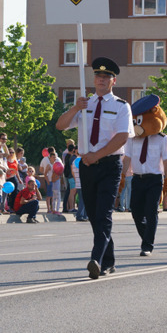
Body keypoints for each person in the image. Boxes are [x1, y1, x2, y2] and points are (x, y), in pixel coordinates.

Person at [56, 56, 134, 279]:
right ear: (94, 79)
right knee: (93, 215)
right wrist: (74, 108)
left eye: (106, 77)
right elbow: (60, 125)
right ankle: (108, 260)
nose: (101, 80)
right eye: (98, 76)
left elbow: (121, 138)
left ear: (113, 81)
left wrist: (95, 155)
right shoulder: (84, 104)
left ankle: (96, 260)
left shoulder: (121, 106)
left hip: (109, 165)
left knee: (104, 213)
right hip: (87, 167)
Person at [123, 95, 167, 256]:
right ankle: (147, 236)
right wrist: (122, 178)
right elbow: (127, 159)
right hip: (138, 179)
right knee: (136, 212)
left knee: (151, 211)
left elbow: (166, 161)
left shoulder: (162, 139)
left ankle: (147, 245)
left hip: (154, 179)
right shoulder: (132, 140)